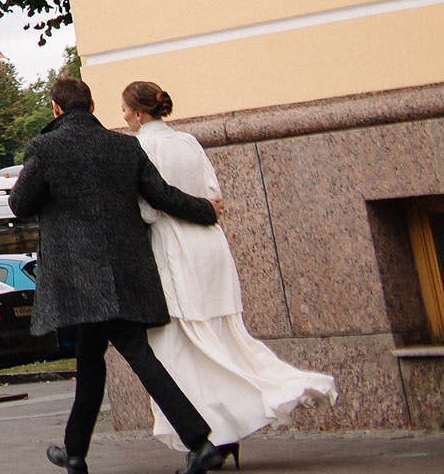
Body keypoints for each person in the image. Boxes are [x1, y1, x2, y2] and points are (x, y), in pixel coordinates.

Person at [9, 76, 225, 474]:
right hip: (127, 273)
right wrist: (206, 210)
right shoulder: (125, 145)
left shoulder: (44, 148)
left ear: (56, 109)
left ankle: (199, 441)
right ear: (92, 108)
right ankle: (74, 452)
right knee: (92, 360)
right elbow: (161, 196)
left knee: (124, 358)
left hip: (80, 280)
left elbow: (20, 205)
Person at [124, 81, 336, 461]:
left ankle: (215, 434)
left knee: (183, 351)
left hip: (175, 247)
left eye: (124, 109)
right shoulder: (188, 142)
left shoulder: (141, 147)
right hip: (210, 246)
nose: (122, 116)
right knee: (224, 340)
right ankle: (227, 431)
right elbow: (213, 195)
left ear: (139, 113)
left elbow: (150, 209)